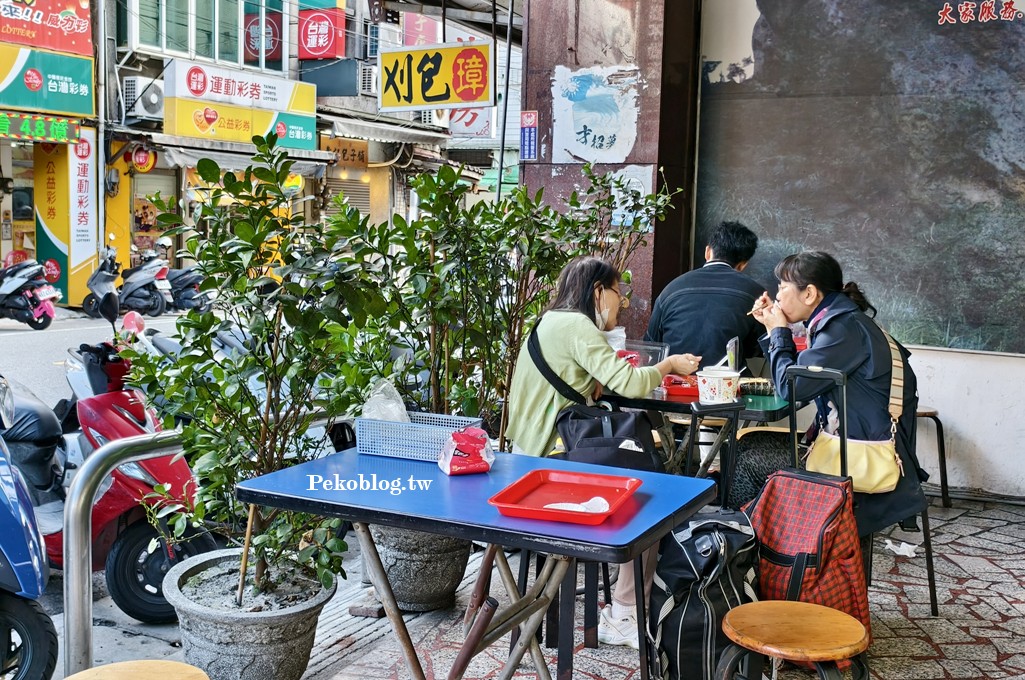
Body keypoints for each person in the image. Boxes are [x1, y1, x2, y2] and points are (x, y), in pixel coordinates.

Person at [506, 255, 701, 649]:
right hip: (551, 460)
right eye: (618, 293)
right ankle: (626, 612)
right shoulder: (578, 325)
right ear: (598, 291)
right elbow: (629, 384)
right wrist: (669, 365)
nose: (622, 303)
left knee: (638, 480)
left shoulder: (548, 320)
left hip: (526, 453)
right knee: (647, 500)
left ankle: (623, 604)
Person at [751, 251, 928, 538]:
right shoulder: (845, 322)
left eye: (783, 288)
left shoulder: (842, 330)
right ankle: (778, 552)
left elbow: (790, 388)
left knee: (746, 456)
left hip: (859, 461)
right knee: (752, 446)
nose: (778, 296)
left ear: (809, 293)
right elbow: (804, 377)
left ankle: (766, 555)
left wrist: (778, 333)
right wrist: (775, 331)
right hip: (862, 447)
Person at [645, 221, 763, 368]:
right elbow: (759, 348)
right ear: (743, 264)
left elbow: (651, 344)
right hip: (725, 384)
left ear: (708, 252)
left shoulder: (671, 288)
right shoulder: (756, 294)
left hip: (672, 380)